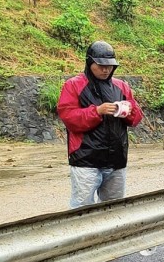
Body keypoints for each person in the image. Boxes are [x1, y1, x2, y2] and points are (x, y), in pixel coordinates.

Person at [57, 40, 144, 208]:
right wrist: (97, 111)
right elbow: (68, 117)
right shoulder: (73, 85)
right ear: (90, 63)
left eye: (109, 66)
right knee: (81, 209)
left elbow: (136, 118)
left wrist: (128, 109)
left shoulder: (121, 86)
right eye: (101, 66)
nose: (106, 70)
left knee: (114, 208)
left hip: (116, 160)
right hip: (86, 160)